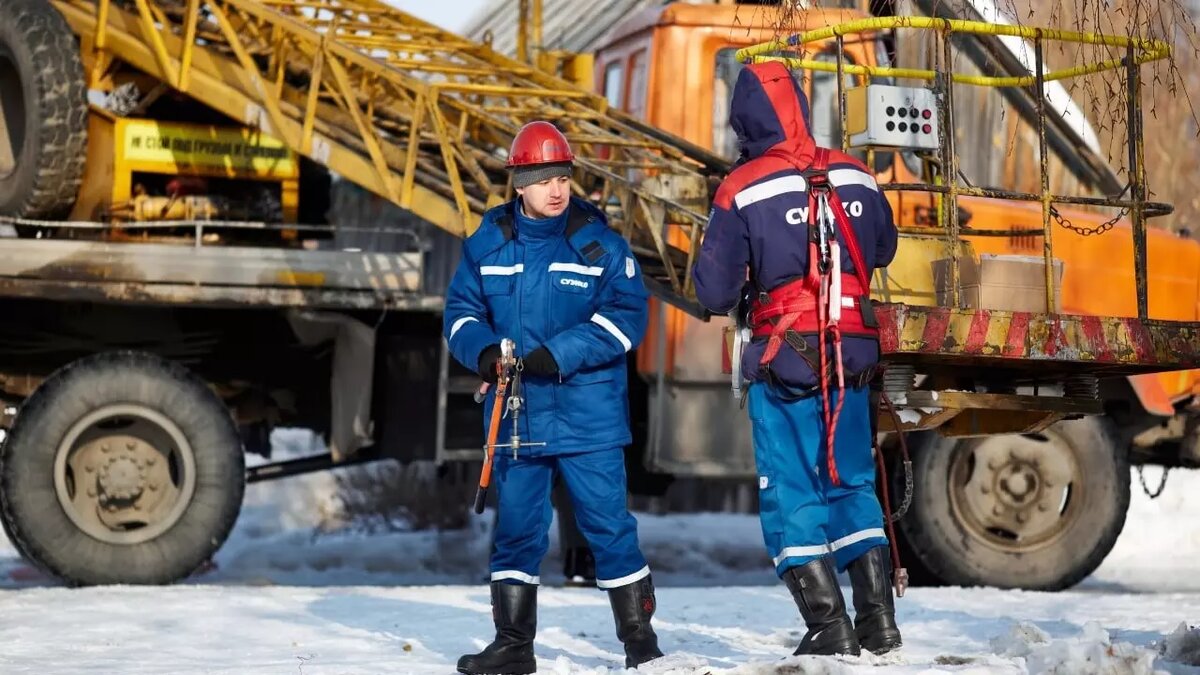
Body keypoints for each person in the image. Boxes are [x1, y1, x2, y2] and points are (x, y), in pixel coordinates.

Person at [692, 60, 902, 657]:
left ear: (744, 119)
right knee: (852, 483)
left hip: (787, 359)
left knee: (792, 491)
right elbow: (883, 247)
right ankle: (878, 624)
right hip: (854, 353)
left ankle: (828, 627)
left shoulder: (742, 187)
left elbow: (713, 291)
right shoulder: (857, 172)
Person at [443, 120, 664, 674]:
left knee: (609, 528)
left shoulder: (600, 245)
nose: (556, 189)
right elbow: (460, 315)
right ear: (519, 182)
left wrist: (560, 353)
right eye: (543, 178)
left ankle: (642, 646)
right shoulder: (486, 244)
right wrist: (484, 352)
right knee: (516, 530)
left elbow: (626, 319)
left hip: (587, 413)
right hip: (517, 416)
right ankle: (514, 645)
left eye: (562, 176)